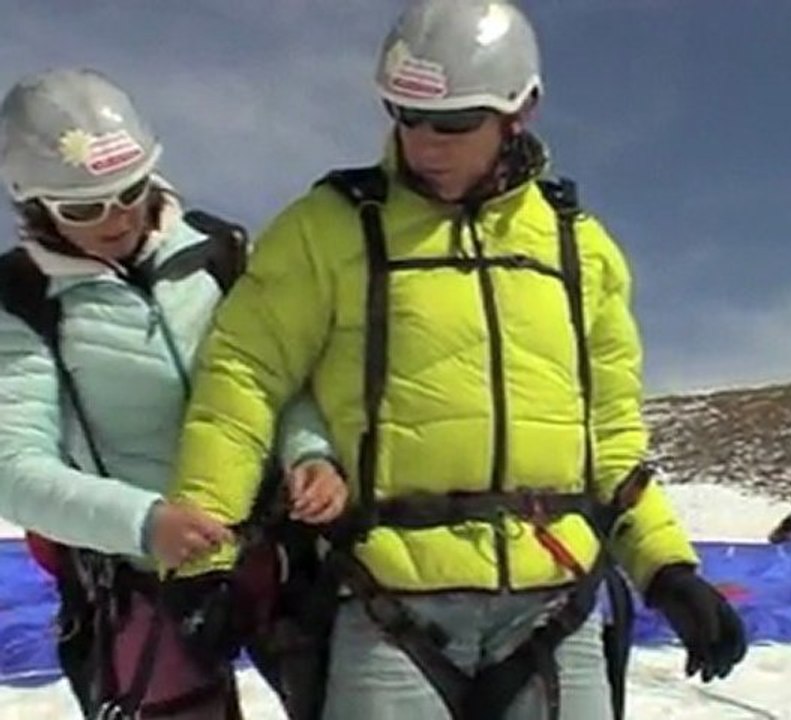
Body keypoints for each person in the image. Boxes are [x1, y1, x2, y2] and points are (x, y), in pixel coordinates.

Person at [169, 1, 748, 719]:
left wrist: (667, 569)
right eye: (405, 116)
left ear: (520, 112)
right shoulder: (328, 229)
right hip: (388, 604)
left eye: (452, 124)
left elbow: (613, 437)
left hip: (554, 607)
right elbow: (243, 379)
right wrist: (207, 563)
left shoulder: (581, 250)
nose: (424, 144)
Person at [0, 67, 346, 719]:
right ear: (34, 203)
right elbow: (14, 471)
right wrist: (145, 520)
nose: (116, 218)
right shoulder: (21, 304)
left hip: (275, 552)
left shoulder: (220, 256)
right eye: (83, 208)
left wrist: (311, 453)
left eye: (129, 191)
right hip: (144, 577)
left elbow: (276, 376)